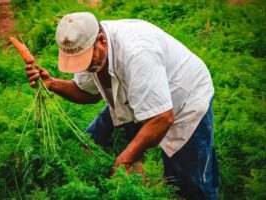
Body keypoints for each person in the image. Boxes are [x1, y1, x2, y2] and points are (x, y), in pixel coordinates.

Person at [25, 12, 220, 199]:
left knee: (189, 182)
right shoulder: (87, 48)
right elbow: (89, 94)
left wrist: (126, 158)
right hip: (133, 97)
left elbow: (162, 118)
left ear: (101, 40)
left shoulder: (138, 53)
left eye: (86, 60)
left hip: (184, 100)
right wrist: (53, 84)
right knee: (92, 143)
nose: (84, 67)